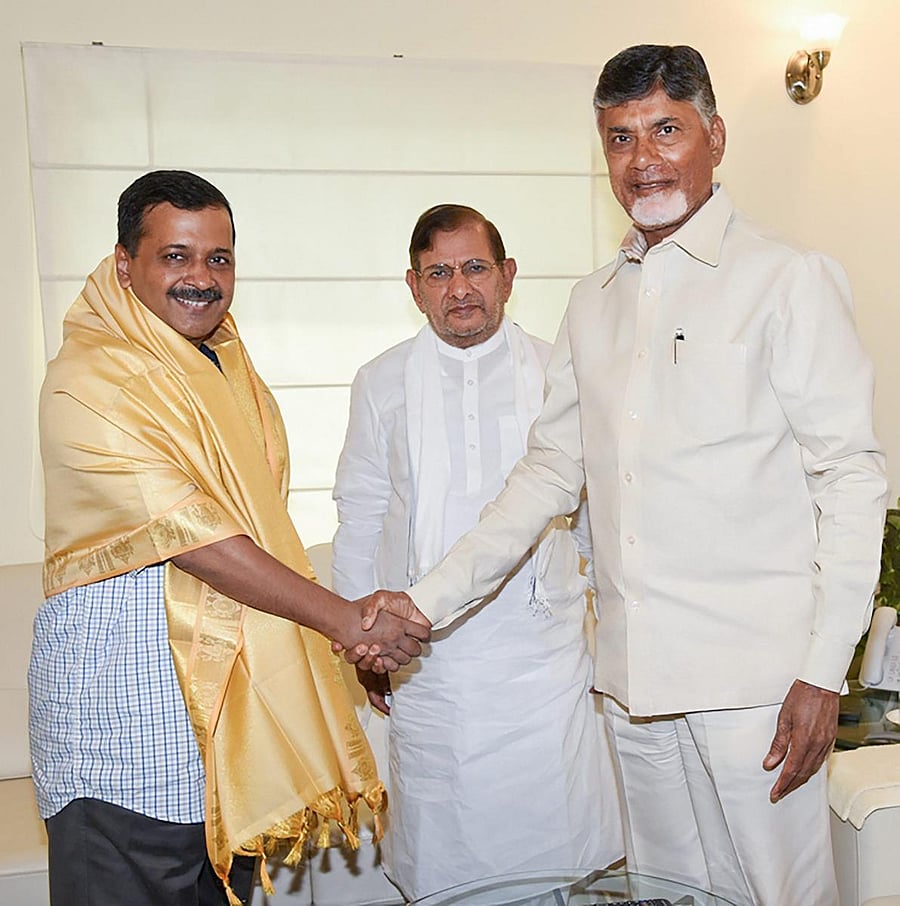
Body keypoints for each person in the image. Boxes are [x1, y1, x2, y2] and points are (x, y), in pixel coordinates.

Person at [352, 46, 889, 906]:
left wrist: (825, 670)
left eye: (665, 130)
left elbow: (852, 482)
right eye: (619, 139)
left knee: (781, 895)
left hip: (757, 688)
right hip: (633, 688)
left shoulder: (787, 281)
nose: (643, 160)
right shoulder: (591, 302)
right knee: (670, 894)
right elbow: (547, 474)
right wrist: (425, 601)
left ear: (715, 135)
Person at [30, 170, 429, 906]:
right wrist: (344, 622)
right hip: (125, 729)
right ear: (125, 264)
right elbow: (198, 536)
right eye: (175, 256)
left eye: (219, 259)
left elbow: (262, 529)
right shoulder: (87, 381)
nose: (201, 279)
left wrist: (347, 627)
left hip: (219, 733)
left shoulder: (224, 365)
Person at [331, 204, 623, 900]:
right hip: (428, 663)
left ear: (508, 276)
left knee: (551, 868)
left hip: (540, 660)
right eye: (439, 272)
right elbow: (362, 513)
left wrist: (610, 633)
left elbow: (591, 519)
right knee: (447, 867)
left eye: (474, 268)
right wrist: (357, 639)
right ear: (413, 285)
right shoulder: (381, 380)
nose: (458, 287)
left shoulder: (560, 372)